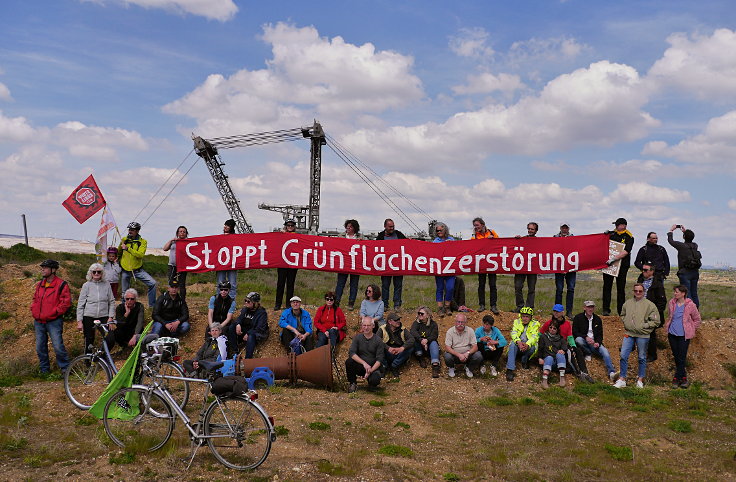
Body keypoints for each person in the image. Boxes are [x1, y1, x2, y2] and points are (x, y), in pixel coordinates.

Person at [614, 283, 659, 388]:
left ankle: (640, 380)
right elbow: (623, 314)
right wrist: (626, 323)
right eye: (636, 291)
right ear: (633, 291)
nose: (638, 293)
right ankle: (622, 379)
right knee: (623, 355)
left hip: (643, 335)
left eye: (640, 291)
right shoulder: (627, 303)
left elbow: (656, 321)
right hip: (629, 334)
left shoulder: (650, 305)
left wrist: (645, 325)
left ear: (644, 292)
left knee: (642, 357)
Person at [30, 259, 71, 374]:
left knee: (58, 346)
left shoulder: (62, 284)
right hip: (39, 321)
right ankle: (44, 371)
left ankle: (65, 370)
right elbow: (35, 299)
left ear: (53, 270)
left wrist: (54, 312)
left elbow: (66, 303)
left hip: (54, 321)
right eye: (42, 267)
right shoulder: (40, 284)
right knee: (40, 348)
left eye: (45, 267)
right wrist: (34, 309)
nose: (42, 269)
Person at [539, 304, 593, 383]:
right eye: (554, 311)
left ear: (562, 313)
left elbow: (570, 336)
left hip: (563, 344)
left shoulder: (567, 324)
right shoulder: (549, 323)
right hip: (552, 346)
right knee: (571, 355)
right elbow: (540, 333)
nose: (556, 313)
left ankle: (585, 373)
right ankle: (578, 373)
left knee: (577, 351)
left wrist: (573, 346)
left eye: (558, 311)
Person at [665, 285, 702, 388]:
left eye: (677, 292)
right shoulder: (671, 303)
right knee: (677, 357)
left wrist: (691, 328)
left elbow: (697, 319)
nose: (675, 293)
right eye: (674, 292)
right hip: (672, 334)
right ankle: (684, 378)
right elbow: (670, 316)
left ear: (683, 293)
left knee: (681, 357)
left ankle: (676, 379)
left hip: (684, 336)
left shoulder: (691, 305)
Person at [76, 262, 116, 353]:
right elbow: (80, 304)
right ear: (91, 273)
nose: (97, 274)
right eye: (94, 272)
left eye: (99, 272)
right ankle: (88, 363)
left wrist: (110, 317)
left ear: (102, 273)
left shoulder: (107, 284)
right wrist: (79, 321)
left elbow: (112, 301)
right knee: (89, 341)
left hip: (104, 316)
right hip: (89, 316)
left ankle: (100, 357)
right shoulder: (86, 285)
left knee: (110, 339)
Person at [572, 300, 616, 381]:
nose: (590, 309)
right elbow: (575, 332)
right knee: (578, 340)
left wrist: (598, 343)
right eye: (588, 307)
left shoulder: (597, 319)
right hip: (584, 341)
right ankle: (587, 353)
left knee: (605, 352)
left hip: (594, 343)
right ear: (584, 308)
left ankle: (612, 372)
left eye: (592, 307)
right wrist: (585, 337)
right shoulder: (578, 318)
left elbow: (600, 334)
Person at [119, 221, 158, 307]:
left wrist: (128, 248)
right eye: (129, 229)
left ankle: (152, 306)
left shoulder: (143, 242)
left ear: (137, 231)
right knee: (124, 292)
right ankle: (123, 309)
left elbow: (140, 255)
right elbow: (119, 252)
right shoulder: (124, 240)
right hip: (125, 270)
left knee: (153, 283)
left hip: (137, 270)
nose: (130, 231)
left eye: (132, 230)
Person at [602, 217, 634, 316]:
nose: (616, 226)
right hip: (609, 265)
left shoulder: (629, 237)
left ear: (624, 225)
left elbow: (626, 251)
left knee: (621, 288)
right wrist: (603, 236)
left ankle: (621, 311)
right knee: (607, 287)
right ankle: (606, 310)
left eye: (617, 225)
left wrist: (614, 258)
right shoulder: (611, 234)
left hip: (622, 265)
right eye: (615, 225)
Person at [346, 316, 385, 393]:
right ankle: (352, 383)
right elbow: (352, 353)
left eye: (368, 325)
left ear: (373, 326)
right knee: (349, 362)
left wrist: (370, 370)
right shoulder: (357, 338)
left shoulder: (378, 340)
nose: (366, 328)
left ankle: (371, 384)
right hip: (361, 366)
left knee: (375, 380)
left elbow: (380, 359)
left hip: (373, 367)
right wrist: (364, 363)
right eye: (364, 325)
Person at [637, 262, 667, 362]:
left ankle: (652, 355)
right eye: (643, 269)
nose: (643, 271)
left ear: (652, 271)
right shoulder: (640, 279)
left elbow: (662, 301)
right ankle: (635, 350)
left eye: (646, 270)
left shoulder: (657, 283)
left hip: (651, 313)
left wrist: (655, 314)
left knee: (650, 333)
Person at [470, 217, 500, 314]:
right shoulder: (474, 236)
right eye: (474, 226)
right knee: (481, 285)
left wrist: (492, 240)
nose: (476, 227)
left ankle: (493, 305)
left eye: (477, 225)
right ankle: (482, 305)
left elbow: (500, 243)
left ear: (482, 225)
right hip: (481, 264)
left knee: (492, 285)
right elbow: (471, 247)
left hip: (492, 263)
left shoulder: (492, 232)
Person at [667, 225, 701, 308]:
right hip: (695, 272)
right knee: (694, 293)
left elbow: (671, 241)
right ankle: (696, 313)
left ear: (684, 237)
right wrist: (685, 232)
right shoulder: (695, 245)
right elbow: (689, 238)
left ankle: (689, 313)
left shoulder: (681, 246)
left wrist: (671, 231)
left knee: (687, 294)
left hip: (685, 273)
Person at [377, 218, 407, 310]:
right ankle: (385, 305)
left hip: (398, 265)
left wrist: (410, 241)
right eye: (390, 226)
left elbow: (407, 244)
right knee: (385, 286)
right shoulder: (380, 236)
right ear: (385, 226)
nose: (392, 228)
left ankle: (397, 304)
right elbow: (374, 248)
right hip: (385, 266)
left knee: (398, 286)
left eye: (393, 226)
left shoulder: (398, 234)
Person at [229, 291, 269, 359]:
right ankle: (235, 351)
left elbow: (260, 328)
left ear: (255, 303)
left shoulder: (262, 313)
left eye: (248, 301)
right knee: (232, 327)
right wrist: (238, 324)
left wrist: (248, 333)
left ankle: (248, 358)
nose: (246, 303)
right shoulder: (245, 309)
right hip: (246, 331)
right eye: (245, 300)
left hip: (257, 333)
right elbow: (239, 318)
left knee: (251, 336)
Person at [505, 306, 540, 381]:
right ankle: (510, 369)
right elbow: (513, 333)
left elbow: (535, 337)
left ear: (530, 317)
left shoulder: (535, 324)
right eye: (523, 316)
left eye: (527, 316)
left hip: (528, 345)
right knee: (512, 345)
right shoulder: (517, 322)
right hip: (519, 344)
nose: (525, 318)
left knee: (533, 347)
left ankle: (525, 359)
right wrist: (519, 342)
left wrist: (527, 344)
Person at [335, 219, 363, 310]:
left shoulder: (360, 236)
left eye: (350, 227)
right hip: (343, 264)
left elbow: (369, 245)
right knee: (340, 283)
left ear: (354, 228)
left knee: (354, 284)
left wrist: (362, 241)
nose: (348, 228)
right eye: (347, 226)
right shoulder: (341, 236)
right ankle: (336, 301)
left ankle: (351, 303)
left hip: (355, 265)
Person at [444, 313, 483, 378]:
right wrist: (459, 355)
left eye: (462, 322)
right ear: (455, 322)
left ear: (465, 322)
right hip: (455, 355)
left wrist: (467, 353)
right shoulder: (450, 331)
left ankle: (469, 367)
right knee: (447, 356)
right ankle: (451, 368)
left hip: (467, 355)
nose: (460, 324)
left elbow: (475, 347)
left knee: (478, 355)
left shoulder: (470, 331)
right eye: (458, 322)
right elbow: (447, 347)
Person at [379, 312, 415, 378]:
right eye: (396, 320)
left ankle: (394, 366)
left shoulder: (403, 329)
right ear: (390, 322)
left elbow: (411, 339)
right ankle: (384, 367)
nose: (398, 321)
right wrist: (388, 348)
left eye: (399, 319)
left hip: (399, 353)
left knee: (411, 347)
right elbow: (376, 341)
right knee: (378, 347)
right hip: (387, 352)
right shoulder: (382, 328)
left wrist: (402, 348)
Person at [274, 219, 299, 311]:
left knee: (290, 284)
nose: (290, 227)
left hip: (293, 263)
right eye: (288, 225)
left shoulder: (298, 236)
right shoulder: (281, 235)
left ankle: (289, 304)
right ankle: (278, 304)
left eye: (292, 226)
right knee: (280, 284)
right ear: (285, 226)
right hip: (282, 263)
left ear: (294, 227)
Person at [514, 222, 539, 311]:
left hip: (532, 268)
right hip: (521, 267)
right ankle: (520, 306)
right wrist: (516, 240)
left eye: (532, 229)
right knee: (518, 286)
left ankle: (529, 307)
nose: (530, 231)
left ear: (536, 231)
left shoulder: (539, 241)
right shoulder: (522, 239)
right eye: (529, 228)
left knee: (531, 288)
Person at [410, 306, 441, 377]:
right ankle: (420, 358)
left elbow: (434, 335)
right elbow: (413, 332)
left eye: (422, 313)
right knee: (415, 340)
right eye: (419, 313)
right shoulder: (416, 323)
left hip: (429, 346)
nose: (420, 315)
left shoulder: (433, 324)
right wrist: (421, 340)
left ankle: (435, 366)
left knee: (434, 343)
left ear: (428, 315)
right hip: (420, 345)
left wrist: (426, 340)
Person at [433, 222, 456, 316]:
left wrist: (451, 245)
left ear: (445, 230)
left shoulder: (451, 239)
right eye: (437, 230)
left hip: (450, 268)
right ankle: (440, 308)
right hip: (439, 268)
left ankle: (447, 306)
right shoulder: (435, 241)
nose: (439, 232)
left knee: (450, 287)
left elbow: (457, 251)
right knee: (440, 288)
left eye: (440, 230)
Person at [553, 223, 576, 319]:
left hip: (571, 267)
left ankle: (569, 312)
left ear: (568, 228)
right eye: (563, 227)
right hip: (559, 267)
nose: (564, 229)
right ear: (560, 228)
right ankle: (557, 312)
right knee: (559, 289)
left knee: (570, 289)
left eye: (566, 227)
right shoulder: (554, 238)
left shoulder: (574, 238)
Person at [538, 319, 568, 388]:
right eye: (550, 327)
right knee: (549, 357)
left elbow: (565, 347)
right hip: (547, 360)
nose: (552, 329)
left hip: (557, 362)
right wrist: (540, 358)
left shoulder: (561, 339)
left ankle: (562, 377)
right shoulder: (543, 337)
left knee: (560, 354)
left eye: (554, 328)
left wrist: (562, 350)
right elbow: (540, 348)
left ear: (557, 330)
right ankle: (544, 380)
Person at [163, 225, 189, 300]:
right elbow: (165, 248)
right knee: (171, 283)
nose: (182, 233)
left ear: (186, 234)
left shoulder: (188, 243)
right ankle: (169, 299)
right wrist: (171, 241)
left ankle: (182, 301)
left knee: (182, 284)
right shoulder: (173, 242)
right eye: (180, 231)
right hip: (172, 265)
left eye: (184, 232)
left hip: (182, 266)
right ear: (177, 233)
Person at [216, 219, 238, 300]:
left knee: (232, 284)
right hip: (221, 263)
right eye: (225, 225)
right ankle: (218, 301)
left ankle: (232, 301)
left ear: (231, 227)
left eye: (228, 225)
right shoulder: (220, 238)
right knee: (219, 283)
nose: (225, 227)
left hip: (232, 263)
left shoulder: (236, 238)